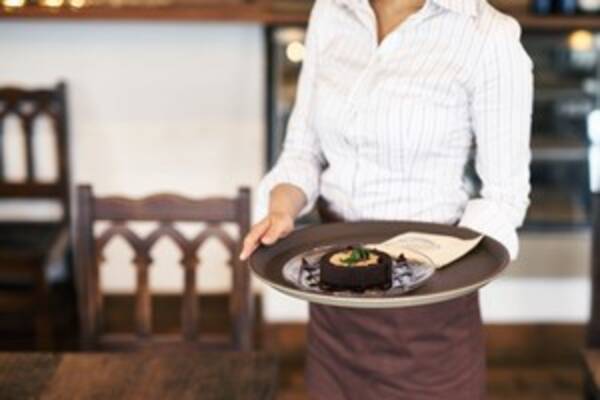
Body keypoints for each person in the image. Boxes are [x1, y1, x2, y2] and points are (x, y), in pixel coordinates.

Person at [240, 0, 534, 398]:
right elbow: (302, 151)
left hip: (429, 315)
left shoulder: (488, 35)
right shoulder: (331, 11)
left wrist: (433, 266)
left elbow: (505, 196)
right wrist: (280, 209)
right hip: (335, 305)